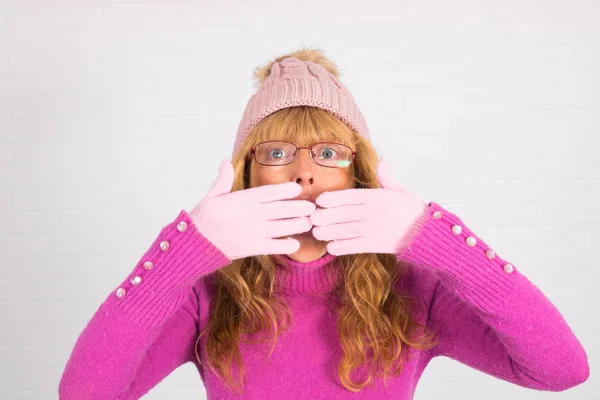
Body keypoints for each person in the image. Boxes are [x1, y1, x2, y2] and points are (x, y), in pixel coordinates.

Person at [58, 47, 590, 399]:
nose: (305, 171)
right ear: (249, 170)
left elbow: (561, 370)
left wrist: (441, 240)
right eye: (278, 151)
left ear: (360, 167)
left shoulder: (411, 287)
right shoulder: (208, 292)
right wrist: (182, 252)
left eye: (330, 152)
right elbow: (84, 393)